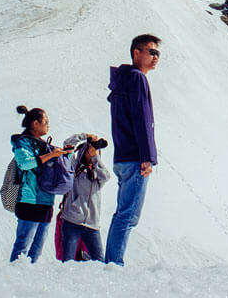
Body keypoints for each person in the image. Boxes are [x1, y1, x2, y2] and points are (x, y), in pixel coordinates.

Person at [105, 33, 160, 266]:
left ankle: (111, 262)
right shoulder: (137, 78)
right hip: (136, 158)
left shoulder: (123, 80)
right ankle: (114, 264)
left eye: (158, 53)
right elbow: (142, 119)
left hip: (122, 156)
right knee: (128, 216)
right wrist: (147, 157)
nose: (156, 57)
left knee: (122, 213)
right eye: (151, 52)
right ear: (136, 53)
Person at [9, 105, 70, 263]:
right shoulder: (23, 143)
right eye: (45, 121)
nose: (48, 125)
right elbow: (24, 163)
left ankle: (28, 280)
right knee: (22, 247)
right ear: (35, 123)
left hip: (45, 201)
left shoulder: (43, 145)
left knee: (37, 247)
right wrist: (50, 155)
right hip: (29, 200)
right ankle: (12, 278)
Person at [58, 133, 111, 262]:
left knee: (99, 262)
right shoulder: (73, 167)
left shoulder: (97, 172)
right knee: (68, 262)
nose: (93, 152)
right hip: (72, 221)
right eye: (90, 150)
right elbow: (67, 144)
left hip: (92, 224)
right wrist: (84, 136)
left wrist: (95, 158)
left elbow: (106, 176)